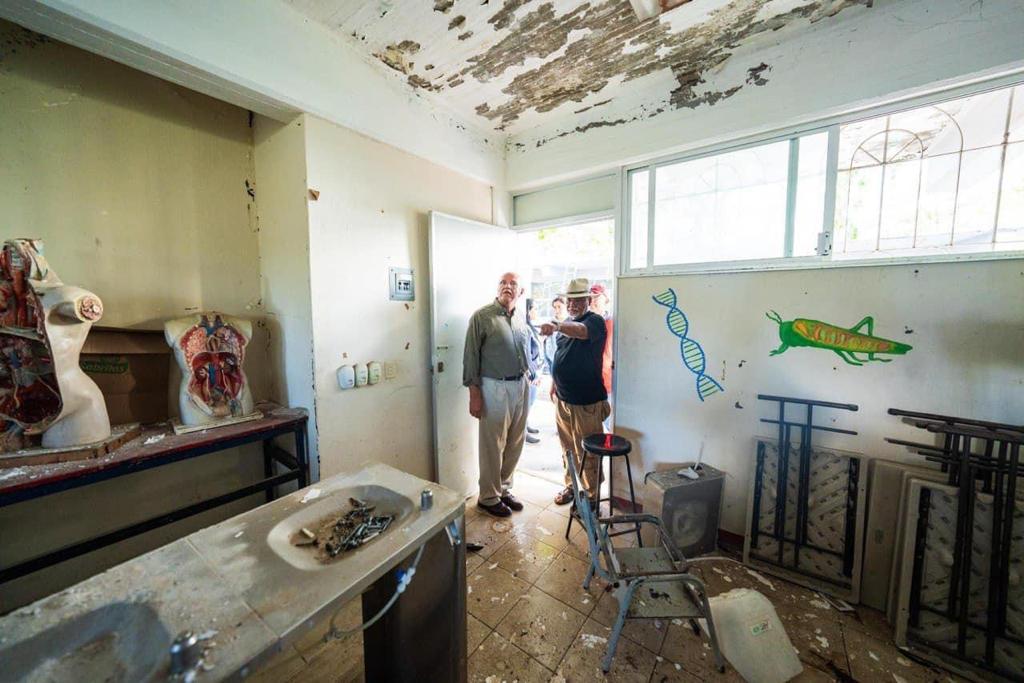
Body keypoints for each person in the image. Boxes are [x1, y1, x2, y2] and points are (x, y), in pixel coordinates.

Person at [462, 272, 530, 518]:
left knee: (516, 440)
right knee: (493, 443)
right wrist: (474, 393)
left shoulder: (520, 318)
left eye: (513, 284)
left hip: (521, 385)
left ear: (521, 291)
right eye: (503, 282)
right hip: (494, 386)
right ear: (497, 287)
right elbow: (470, 356)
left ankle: (504, 488)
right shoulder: (482, 317)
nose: (507, 287)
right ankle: (488, 497)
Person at [539, 278, 609, 505]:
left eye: (578, 300)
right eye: (570, 300)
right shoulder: (567, 322)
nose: (572, 304)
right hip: (563, 399)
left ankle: (591, 498)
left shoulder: (594, 321)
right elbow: (561, 355)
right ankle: (572, 486)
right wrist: (554, 382)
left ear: (588, 300)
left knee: (588, 452)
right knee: (567, 449)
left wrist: (557, 326)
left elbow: (581, 332)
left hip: (586, 403)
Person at [524, 299, 542, 445]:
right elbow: (527, 353)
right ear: (528, 310)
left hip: (536, 370)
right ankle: (523, 432)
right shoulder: (525, 328)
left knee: (530, 403)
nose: (536, 311)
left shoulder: (531, 327)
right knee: (526, 404)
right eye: (534, 308)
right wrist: (532, 374)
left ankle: (526, 426)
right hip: (531, 373)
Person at [542, 295, 568, 375]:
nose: (557, 310)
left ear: (566, 306)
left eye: (559, 307)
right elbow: (547, 346)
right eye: (555, 307)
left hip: (568, 363)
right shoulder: (550, 324)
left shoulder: (571, 323)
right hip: (553, 362)